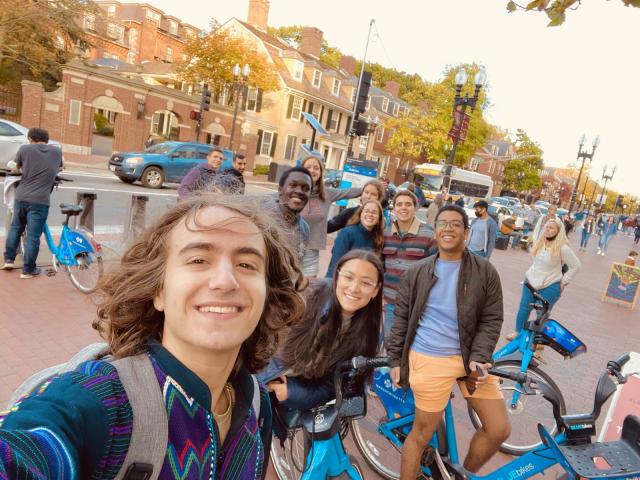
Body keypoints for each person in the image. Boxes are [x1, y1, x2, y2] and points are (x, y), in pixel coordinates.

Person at [0, 195, 307, 479]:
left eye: (246, 265)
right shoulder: (105, 403)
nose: (225, 280)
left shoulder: (256, 403)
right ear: (158, 291)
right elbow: (24, 450)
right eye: (198, 260)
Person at [387, 204, 509, 478]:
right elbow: (401, 319)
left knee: (499, 429)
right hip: (429, 357)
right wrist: (395, 359)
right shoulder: (417, 271)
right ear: (435, 231)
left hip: (471, 359)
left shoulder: (485, 271)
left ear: (467, 232)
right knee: (421, 434)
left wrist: (480, 355)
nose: (448, 228)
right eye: (443, 223)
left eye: (456, 224)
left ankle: (462, 473)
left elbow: (492, 319)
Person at [260, 249, 383, 413]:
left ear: (376, 290)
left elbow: (333, 384)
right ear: (337, 276)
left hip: (285, 392)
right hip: (257, 379)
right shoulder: (309, 297)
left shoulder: (367, 331)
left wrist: (291, 393)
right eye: (348, 277)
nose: (354, 288)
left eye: (366, 283)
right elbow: (262, 337)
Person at [1, 128, 63, 278]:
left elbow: (16, 168)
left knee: (15, 228)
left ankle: (9, 260)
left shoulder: (24, 149)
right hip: (40, 200)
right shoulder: (57, 152)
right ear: (46, 139)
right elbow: (60, 167)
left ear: (31, 138)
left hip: (21, 197)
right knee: (34, 236)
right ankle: (28, 270)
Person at [510, 217, 581, 337]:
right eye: (546, 227)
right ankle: (518, 332)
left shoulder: (563, 248)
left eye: (551, 228)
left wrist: (564, 282)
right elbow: (537, 230)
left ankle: (537, 340)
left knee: (542, 313)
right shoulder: (540, 243)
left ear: (558, 231)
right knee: (524, 308)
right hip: (531, 281)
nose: (547, 230)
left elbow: (576, 265)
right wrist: (542, 219)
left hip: (550, 284)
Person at [382, 190, 435, 338]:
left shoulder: (428, 234)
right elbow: (379, 267)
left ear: (416, 207)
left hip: (417, 305)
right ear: (394, 208)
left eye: (408, 204)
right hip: (391, 303)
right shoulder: (385, 233)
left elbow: (438, 269)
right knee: (391, 344)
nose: (403, 208)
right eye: (399, 204)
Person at [300, 156, 361, 277]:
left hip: (311, 251)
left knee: (309, 291)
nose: (312, 170)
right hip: (290, 248)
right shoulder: (293, 191)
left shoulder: (326, 194)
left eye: (316, 168)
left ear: (321, 173)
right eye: (308, 167)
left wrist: (369, 188)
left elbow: (348, 192)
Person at [326, 200, 384, 277]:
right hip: (341, 281)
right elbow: (336, 264)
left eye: (374, 212)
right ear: (360, 214)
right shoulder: (347, 233)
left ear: (379, 219)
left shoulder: (377, 238)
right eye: (366, 211)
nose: (370, 214)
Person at [273, 166, 313, 264]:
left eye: (306, 189)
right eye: (293, 185)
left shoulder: (304, 229)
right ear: (280, 190)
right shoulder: (262, 219)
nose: (299, 191)